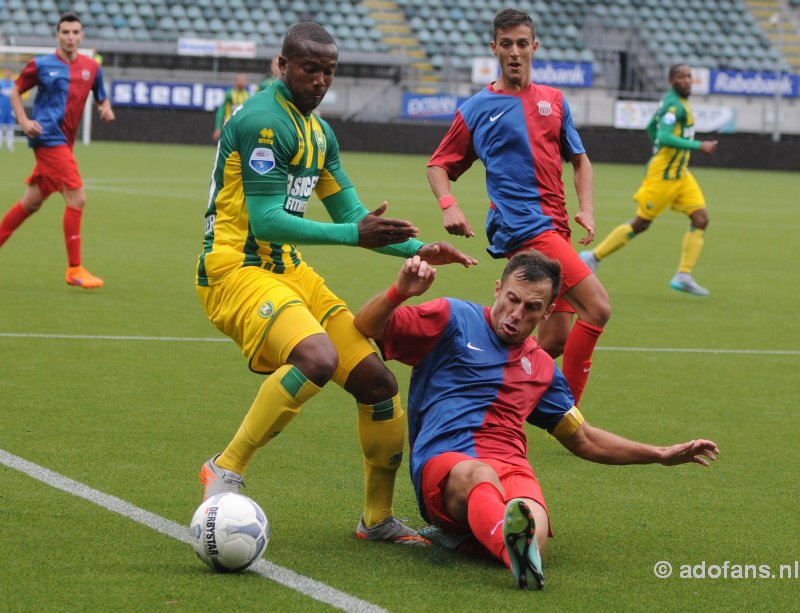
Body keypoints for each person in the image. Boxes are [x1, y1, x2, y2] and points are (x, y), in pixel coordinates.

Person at [195, 22, 478, 545]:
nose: (321, 80)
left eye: (329, 71)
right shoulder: (263, 121)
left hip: (289, 271)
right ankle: (224, 468)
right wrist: (354, 233)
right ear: (283, 66)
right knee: (319, 359)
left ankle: (376, 521)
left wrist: (419, 249)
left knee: (378, 385)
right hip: (235, 270)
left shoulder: (319, 132)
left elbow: (351, 211)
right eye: (310, 68)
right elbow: (266, 222)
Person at [353, 251, 719, 590]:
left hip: (512, 466)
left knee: (532, 518)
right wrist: (399, 291)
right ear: (498, 288)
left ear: (546, 314)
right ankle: (507, 547)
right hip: (448, 461)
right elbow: (367, 326)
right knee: (480, 476)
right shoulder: (451, 317)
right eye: (512, 299)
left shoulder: (542, 367)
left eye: (532, 307)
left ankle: (512, 548)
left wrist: (659, 453)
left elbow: (584, 439)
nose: (516, 314)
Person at [427, 9, 610, 405]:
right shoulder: (477, 108)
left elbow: (580, 159)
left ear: (534, 47)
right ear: (494, 48)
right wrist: (448, 205)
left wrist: (588, 209)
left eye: (522, 44)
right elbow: (439, 164)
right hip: (524, 227)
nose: (514, 52)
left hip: (555, 226)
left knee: (554, 339)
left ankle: (486, 393)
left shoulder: (554, 101)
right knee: (597, 309)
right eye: (506, 44)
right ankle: (569, 418)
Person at [580, 63, 718, 297]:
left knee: (701, 219)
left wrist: (660, 148)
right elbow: (663, 135)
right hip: (663, 177)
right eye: (682, 77)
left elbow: (651, 126)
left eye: (689, 77)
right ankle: (593, 257)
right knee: (641, 223)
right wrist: (699, 145)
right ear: (672, 81)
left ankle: (683, 275)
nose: (687, 81)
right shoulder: (674, 106)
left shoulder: (676, 102)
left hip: (681, 175)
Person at [0, 13, 115, 288]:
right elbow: (15, 92)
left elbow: (101, 96)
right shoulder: (41, 65)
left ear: (81, 35)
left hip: (66, 142)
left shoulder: (91, 68)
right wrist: (24, 121)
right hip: (47, 138)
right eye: (65, 32)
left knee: (31, 202)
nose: (71, 37)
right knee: (77, 198)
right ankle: (74, 269)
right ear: (57, 35)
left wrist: (105, 107)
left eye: (75, 32)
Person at [212, 73, 250, 142]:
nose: (242, 82)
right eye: (240, 80)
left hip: (242, 126)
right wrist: (218, 127)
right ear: (236, 81)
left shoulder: (247, 95)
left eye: (244, 80)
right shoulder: (229, 94)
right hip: (229, 125)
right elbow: (221, 110)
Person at [0, 69, 15, 152]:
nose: (8, 73)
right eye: (7, 71)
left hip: (11, 109)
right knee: (0, 127)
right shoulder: (1, 83)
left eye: (10, 72)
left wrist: (15, 109)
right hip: (2, 108)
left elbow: (18, 97)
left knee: (10, 128)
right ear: (5, 72)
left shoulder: (14, 84)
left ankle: (10, 145)